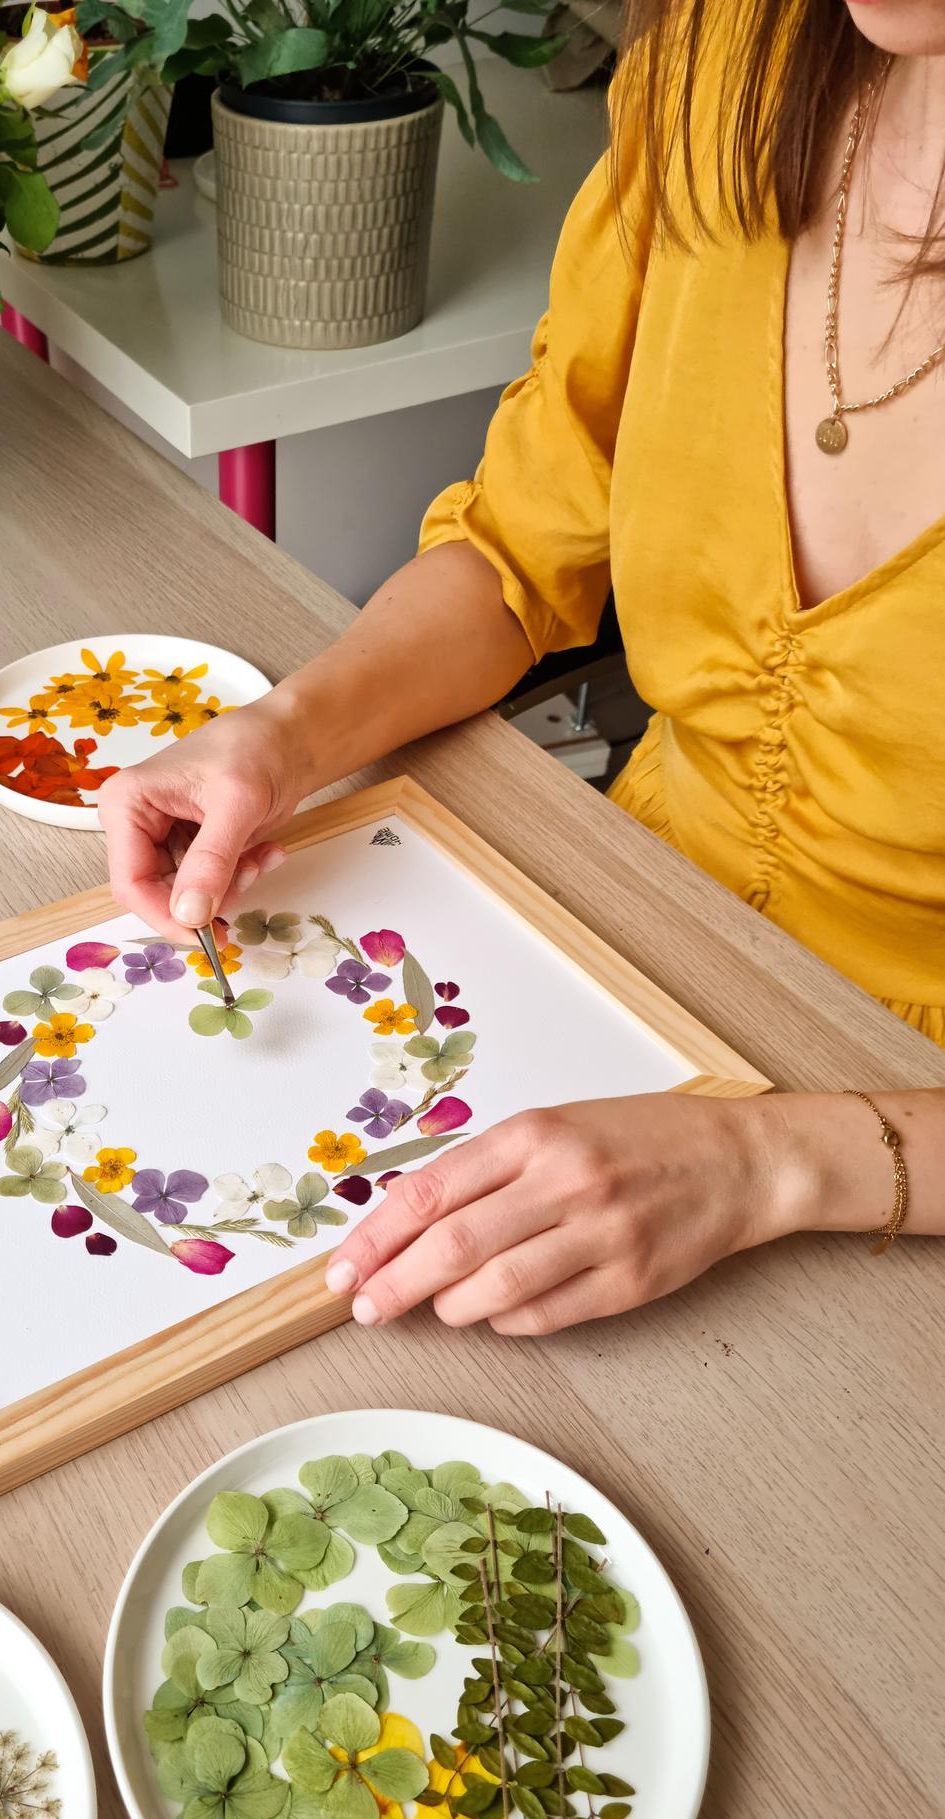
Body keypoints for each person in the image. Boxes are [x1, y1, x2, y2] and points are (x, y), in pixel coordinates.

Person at [98, 0, 945, 1337]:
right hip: (614, 945)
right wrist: (283, 734)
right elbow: (515, 551)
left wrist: (771, 1160)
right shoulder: (729, 61)